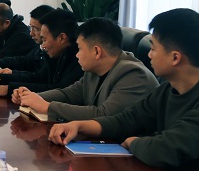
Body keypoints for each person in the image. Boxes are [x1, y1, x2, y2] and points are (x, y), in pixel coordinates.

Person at [49, 8, 199, 171]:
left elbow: (168, 149)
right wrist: (79, 125)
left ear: (175, 58)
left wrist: (134, 143)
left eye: (153, 48)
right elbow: (127, 119)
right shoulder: (169, 88)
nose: (148, 55)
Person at [16, 17, 159, 120]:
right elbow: (68, 94)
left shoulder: (133, 74)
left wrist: (47, 107)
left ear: (97, 51)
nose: (77, 55)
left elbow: (104, 115)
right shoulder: (94, 71)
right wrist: (33, 97)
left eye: (79, 48)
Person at [0, 9, 83, 97]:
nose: (43, 46)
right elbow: (39, 78)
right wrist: (1, 79)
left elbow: (59, 90)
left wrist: (9, 89)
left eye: (45, 40)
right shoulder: (58, 54)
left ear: (62, 38)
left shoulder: (79, 60)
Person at [0, 4, 53, 74]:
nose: (31, 33)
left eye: (36, 29)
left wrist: (10, 75)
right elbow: (24, 60)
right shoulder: (39, 49)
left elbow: (38, 78)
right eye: (31, 27)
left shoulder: (22, 36)